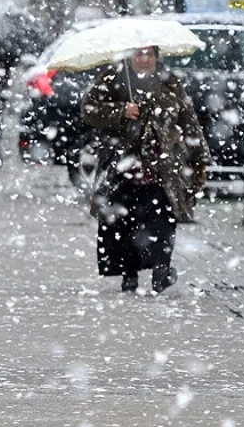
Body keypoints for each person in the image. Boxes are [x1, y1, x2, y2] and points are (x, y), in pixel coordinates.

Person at [82, 47, 209, 295]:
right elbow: (89, 110)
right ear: (130, 56)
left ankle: (161, 271)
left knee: (162, 222)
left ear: (156, 57)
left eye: (149, 54)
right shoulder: (113, 79)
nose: (144, 59)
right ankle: (129, 275)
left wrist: (198, 158)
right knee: (125, 224)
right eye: (139, 54)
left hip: (161, 169)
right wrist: (121, 112)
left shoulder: (169, 81)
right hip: (123, 168)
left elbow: (188, 119)